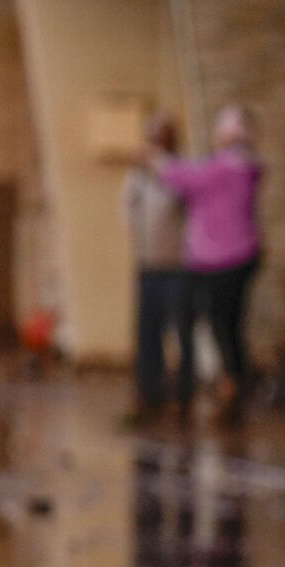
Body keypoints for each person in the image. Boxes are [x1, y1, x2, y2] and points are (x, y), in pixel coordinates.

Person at [156, 104, 263, 424]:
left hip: (220, 260)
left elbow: (183, 177)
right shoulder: (244, 168)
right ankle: (230, 382)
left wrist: (158, 159)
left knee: (218, 324)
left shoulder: (225, 170)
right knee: (228, 325)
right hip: (234, 256)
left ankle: (227, 385)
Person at [126, 113, 192, 425]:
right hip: (148, 266)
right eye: (154, 139)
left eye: (164, 138)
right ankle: (148, 393)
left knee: (179, 334)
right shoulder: (138, 179)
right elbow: (128, 213)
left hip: (177, 267)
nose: (158, 146)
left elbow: (183, 198)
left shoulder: (181, 173)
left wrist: (159, 163)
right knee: (147, 334)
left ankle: (181, 396)